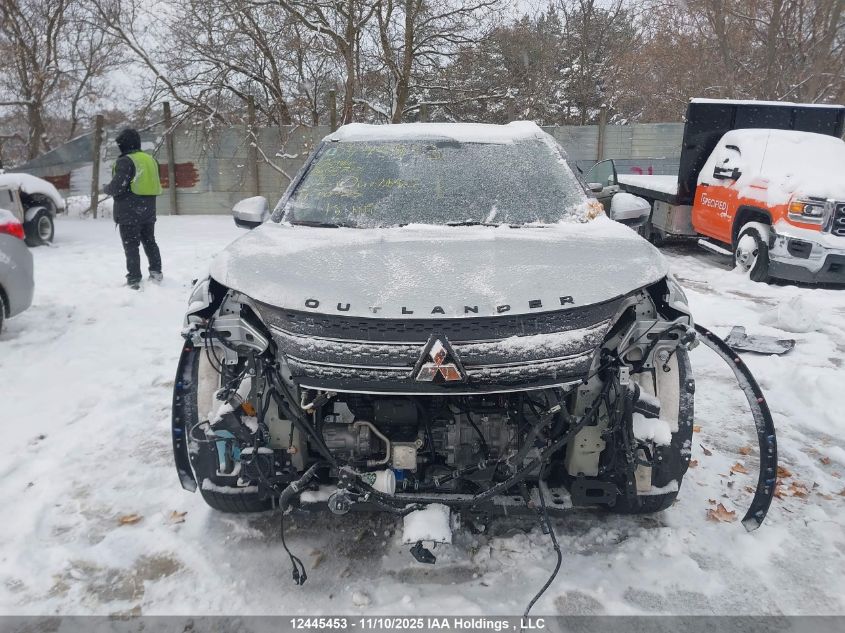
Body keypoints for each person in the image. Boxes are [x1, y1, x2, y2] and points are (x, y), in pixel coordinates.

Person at [103, 128, 163, 289]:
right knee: (150, 242)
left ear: (124, 145)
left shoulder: (126, 161)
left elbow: (117, 186)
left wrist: (106, 188)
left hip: (130, 211)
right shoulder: (151, 160)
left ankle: (134, 279)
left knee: (131, 246)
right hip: (149, 210)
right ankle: (156, 272)